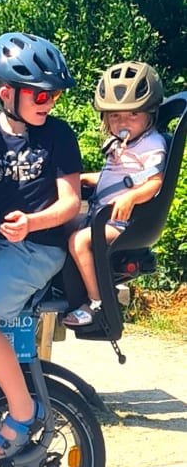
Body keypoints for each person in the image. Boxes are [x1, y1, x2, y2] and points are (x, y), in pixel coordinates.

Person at [0, 32, 82, 460]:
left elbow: (70, 204)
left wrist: (32, 224)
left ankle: (22, 408)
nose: (49, 105)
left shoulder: (59, 136)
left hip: (39, 249)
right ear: (6, 92)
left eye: (53, 97)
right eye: (39, 96)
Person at [63, 61, 167, 327]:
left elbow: (155, 181)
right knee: (58, 225)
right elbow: (119, 179)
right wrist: (86, 178)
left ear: (150, 114)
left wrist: (131, 198)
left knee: (78, 241)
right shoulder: (124, 145)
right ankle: (64, 289)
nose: (123, 122)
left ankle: (98, 303)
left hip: (124, 222)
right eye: (115, 116)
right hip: (103, 215)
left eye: (132, 114)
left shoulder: (151, 144)